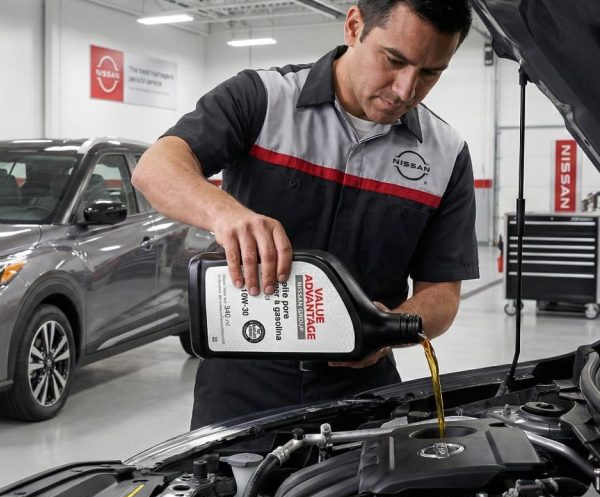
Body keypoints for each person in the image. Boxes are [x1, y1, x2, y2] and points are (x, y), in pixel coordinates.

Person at [132, 0, 480, 429]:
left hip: (364, 399)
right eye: (394, 60)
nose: (406, 89)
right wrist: (227, 215)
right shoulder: (262, 98)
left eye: (430, 73)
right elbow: (156, 168)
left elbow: (443, 293)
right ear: (354, 26)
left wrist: (389, 327)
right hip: (240, 392)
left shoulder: (446, 155)